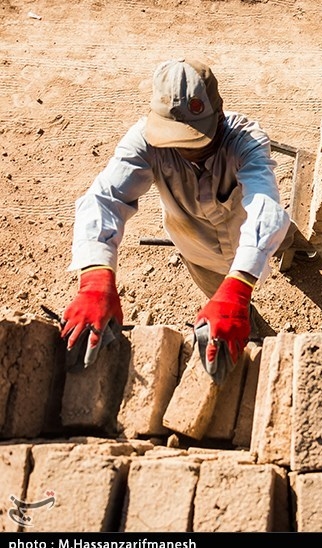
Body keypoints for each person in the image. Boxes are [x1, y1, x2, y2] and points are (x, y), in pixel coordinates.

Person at [60, 57, 292, 379]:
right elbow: (105, 198)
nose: (184, 150)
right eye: (174, 139)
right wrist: (96, 280)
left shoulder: (246, 140)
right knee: (225, 302)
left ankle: (278, 263)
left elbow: (266, 207)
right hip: (199, 251)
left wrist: (238, 284)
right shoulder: (144, 141)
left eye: (194, 140)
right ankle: (248, 324)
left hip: (249, 233)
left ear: (218, 117)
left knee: (282, 236)